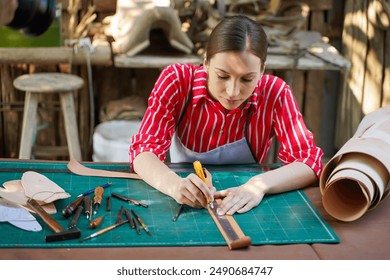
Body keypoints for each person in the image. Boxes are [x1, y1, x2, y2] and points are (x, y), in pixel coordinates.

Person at [129, 14, 323, 216]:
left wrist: (259, 185)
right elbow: (143, 150)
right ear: (206, 63)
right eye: (222, 76)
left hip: (243, 204)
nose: (233, 91)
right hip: (184, 196)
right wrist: (174, 185)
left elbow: (309, 161)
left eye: (247, 79)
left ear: (262, 70)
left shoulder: (275, 93)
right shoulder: (177, 81)